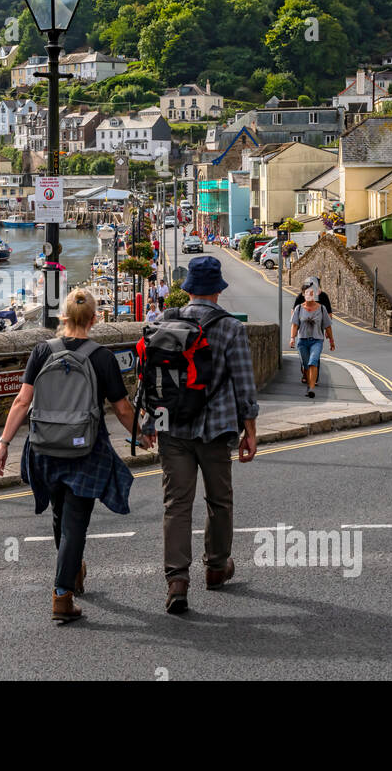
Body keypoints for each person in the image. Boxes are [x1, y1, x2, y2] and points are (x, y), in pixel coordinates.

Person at [0, 288, 152, 624]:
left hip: (45, 447)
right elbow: (122, 408)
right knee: (75, 522)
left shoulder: (41, 351)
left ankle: (70, 570)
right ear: (95, 319)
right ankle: (62, 594)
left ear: (62, 318)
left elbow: (22, 402)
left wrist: (4, 443)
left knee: (59, 515)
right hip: (86, 448)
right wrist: (143, 433)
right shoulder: (102, 357)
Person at [144, 256, 259, 615]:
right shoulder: (231, 329)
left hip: (173, 427)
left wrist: (150, 421)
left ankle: (177, 581)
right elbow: (244, 385)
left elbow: (151, 378)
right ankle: (215, 567)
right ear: (218, 292)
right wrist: (250, 432)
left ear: (189, 289)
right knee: (219, 501)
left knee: (176, 506)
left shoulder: (163, 321)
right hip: (215, 428)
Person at [289, 286, 335, 399]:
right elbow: (294, 325)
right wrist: (292, 338)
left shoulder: (322, 308)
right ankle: (309, 383)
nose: (309, 294)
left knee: (313, 362)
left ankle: (311, 388)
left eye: (311, 293)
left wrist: (331, 341)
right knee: (306, 365)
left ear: (315, 295)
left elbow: (327, 326)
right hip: (302, 341)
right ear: (304, 295)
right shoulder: (299, 309)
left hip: (317, 340)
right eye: (307, 293)